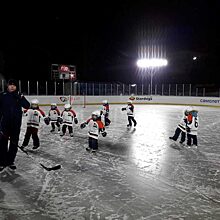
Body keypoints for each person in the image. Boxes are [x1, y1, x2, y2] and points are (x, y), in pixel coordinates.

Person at [0, 79, 30, 172]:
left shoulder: (19, 95)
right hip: (4, 124)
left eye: (14, 85)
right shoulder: (2, 95)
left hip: (16, 124)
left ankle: (10, 161)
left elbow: (27, 106)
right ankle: (2, 162)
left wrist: (21, 98)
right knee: (2, 144)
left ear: (16, 87)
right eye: (10, 85)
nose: (12, 87)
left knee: (14, 143)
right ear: (7, 86)